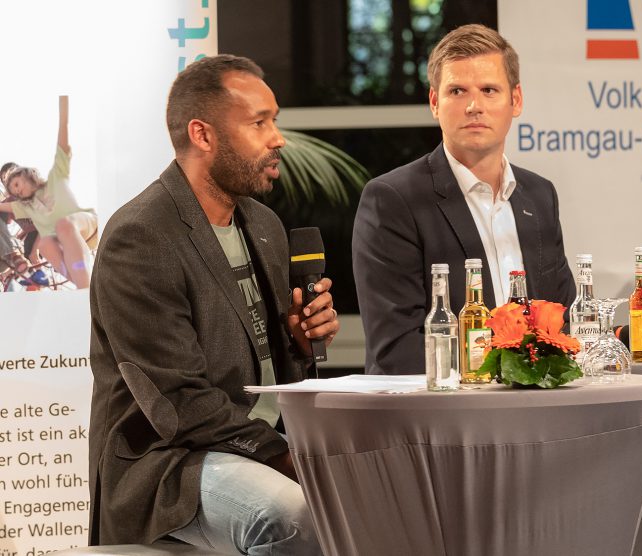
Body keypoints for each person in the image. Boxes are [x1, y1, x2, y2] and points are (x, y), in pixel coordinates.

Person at [88, 55, 339, 554]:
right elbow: (177, 401)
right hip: (171, 463)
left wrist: (298, 342)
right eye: (259, 123)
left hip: (258, 440)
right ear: (202, 135)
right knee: (291, 516)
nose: (278, 138)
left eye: (275, 120)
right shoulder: (141, 236)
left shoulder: (263, 225)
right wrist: (285, 457)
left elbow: (263, 369)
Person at [352, 24, 575, 374]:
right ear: (434, 102)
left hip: (534, 413)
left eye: (489, 90)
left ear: (515, 100)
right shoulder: (393, 199)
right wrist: (504, 376)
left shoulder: (540, 195)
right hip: (437, 415)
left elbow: (561, 319)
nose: (474, 106)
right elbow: (396, 348)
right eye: (457, 91)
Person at [0, 96, 98, 288]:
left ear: (27, 175)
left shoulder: (56, 177)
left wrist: (64, 103)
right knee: (46, 245)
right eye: (13, 190)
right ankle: (84, 286)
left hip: (86, 226)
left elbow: (63, 131)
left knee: (63, 225)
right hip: (62, 241)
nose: (17, 191)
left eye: (17, 184)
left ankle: (85, 284)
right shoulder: (24, 205)